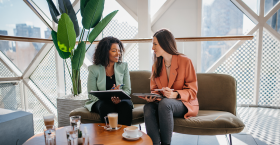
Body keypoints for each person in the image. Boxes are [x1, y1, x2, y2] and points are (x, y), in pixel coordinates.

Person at [138, 29, 199, 145]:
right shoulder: (156, 66)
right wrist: (153, 97)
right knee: (149, 107)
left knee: (165, 104)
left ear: (164, 43)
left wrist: (175, 94)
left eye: (155, 44)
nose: (152, 48)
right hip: (163, 102)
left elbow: (192, 91)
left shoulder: (185, 61)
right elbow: (154, 90)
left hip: (185, 103)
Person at [84, 36, 133, 126]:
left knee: (125, 105)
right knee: (105, 106)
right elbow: (91, 93)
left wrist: (119, 97)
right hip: (101, 101)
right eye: (114, 51)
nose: (118, 54)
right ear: (105, 52)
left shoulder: (124, 66)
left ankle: (125, 134)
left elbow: (127, 90)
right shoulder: (94, 69)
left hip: (120, 100)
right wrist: (109, 98)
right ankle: (110, 137)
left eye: (119, 50)